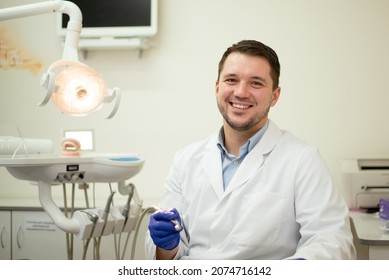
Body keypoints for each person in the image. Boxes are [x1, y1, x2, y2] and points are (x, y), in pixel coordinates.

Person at [144, 40, 356, 260]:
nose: (241, 92)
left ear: (275, 95)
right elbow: (165, 256)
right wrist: (167, 246)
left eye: (256, 83)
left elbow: (332, 241)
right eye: (231, 80)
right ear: (217, 88)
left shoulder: (303, 160)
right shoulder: (186, 160)